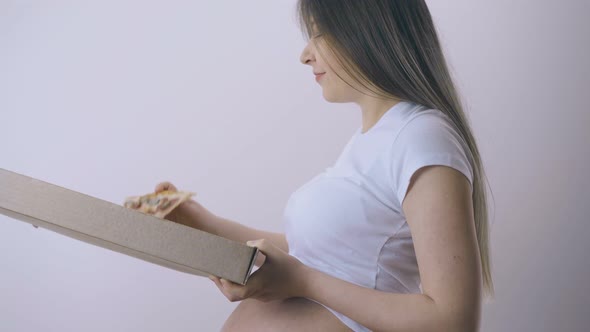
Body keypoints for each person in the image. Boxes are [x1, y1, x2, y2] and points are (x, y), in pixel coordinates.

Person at [151, 1, 494, 331]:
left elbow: (453, 321)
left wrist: (303, 282)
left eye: (319, 33)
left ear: (367, 31)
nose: (305, 54)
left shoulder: (421, 135)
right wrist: (200, 220)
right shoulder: (375, 139)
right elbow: (314, 256)